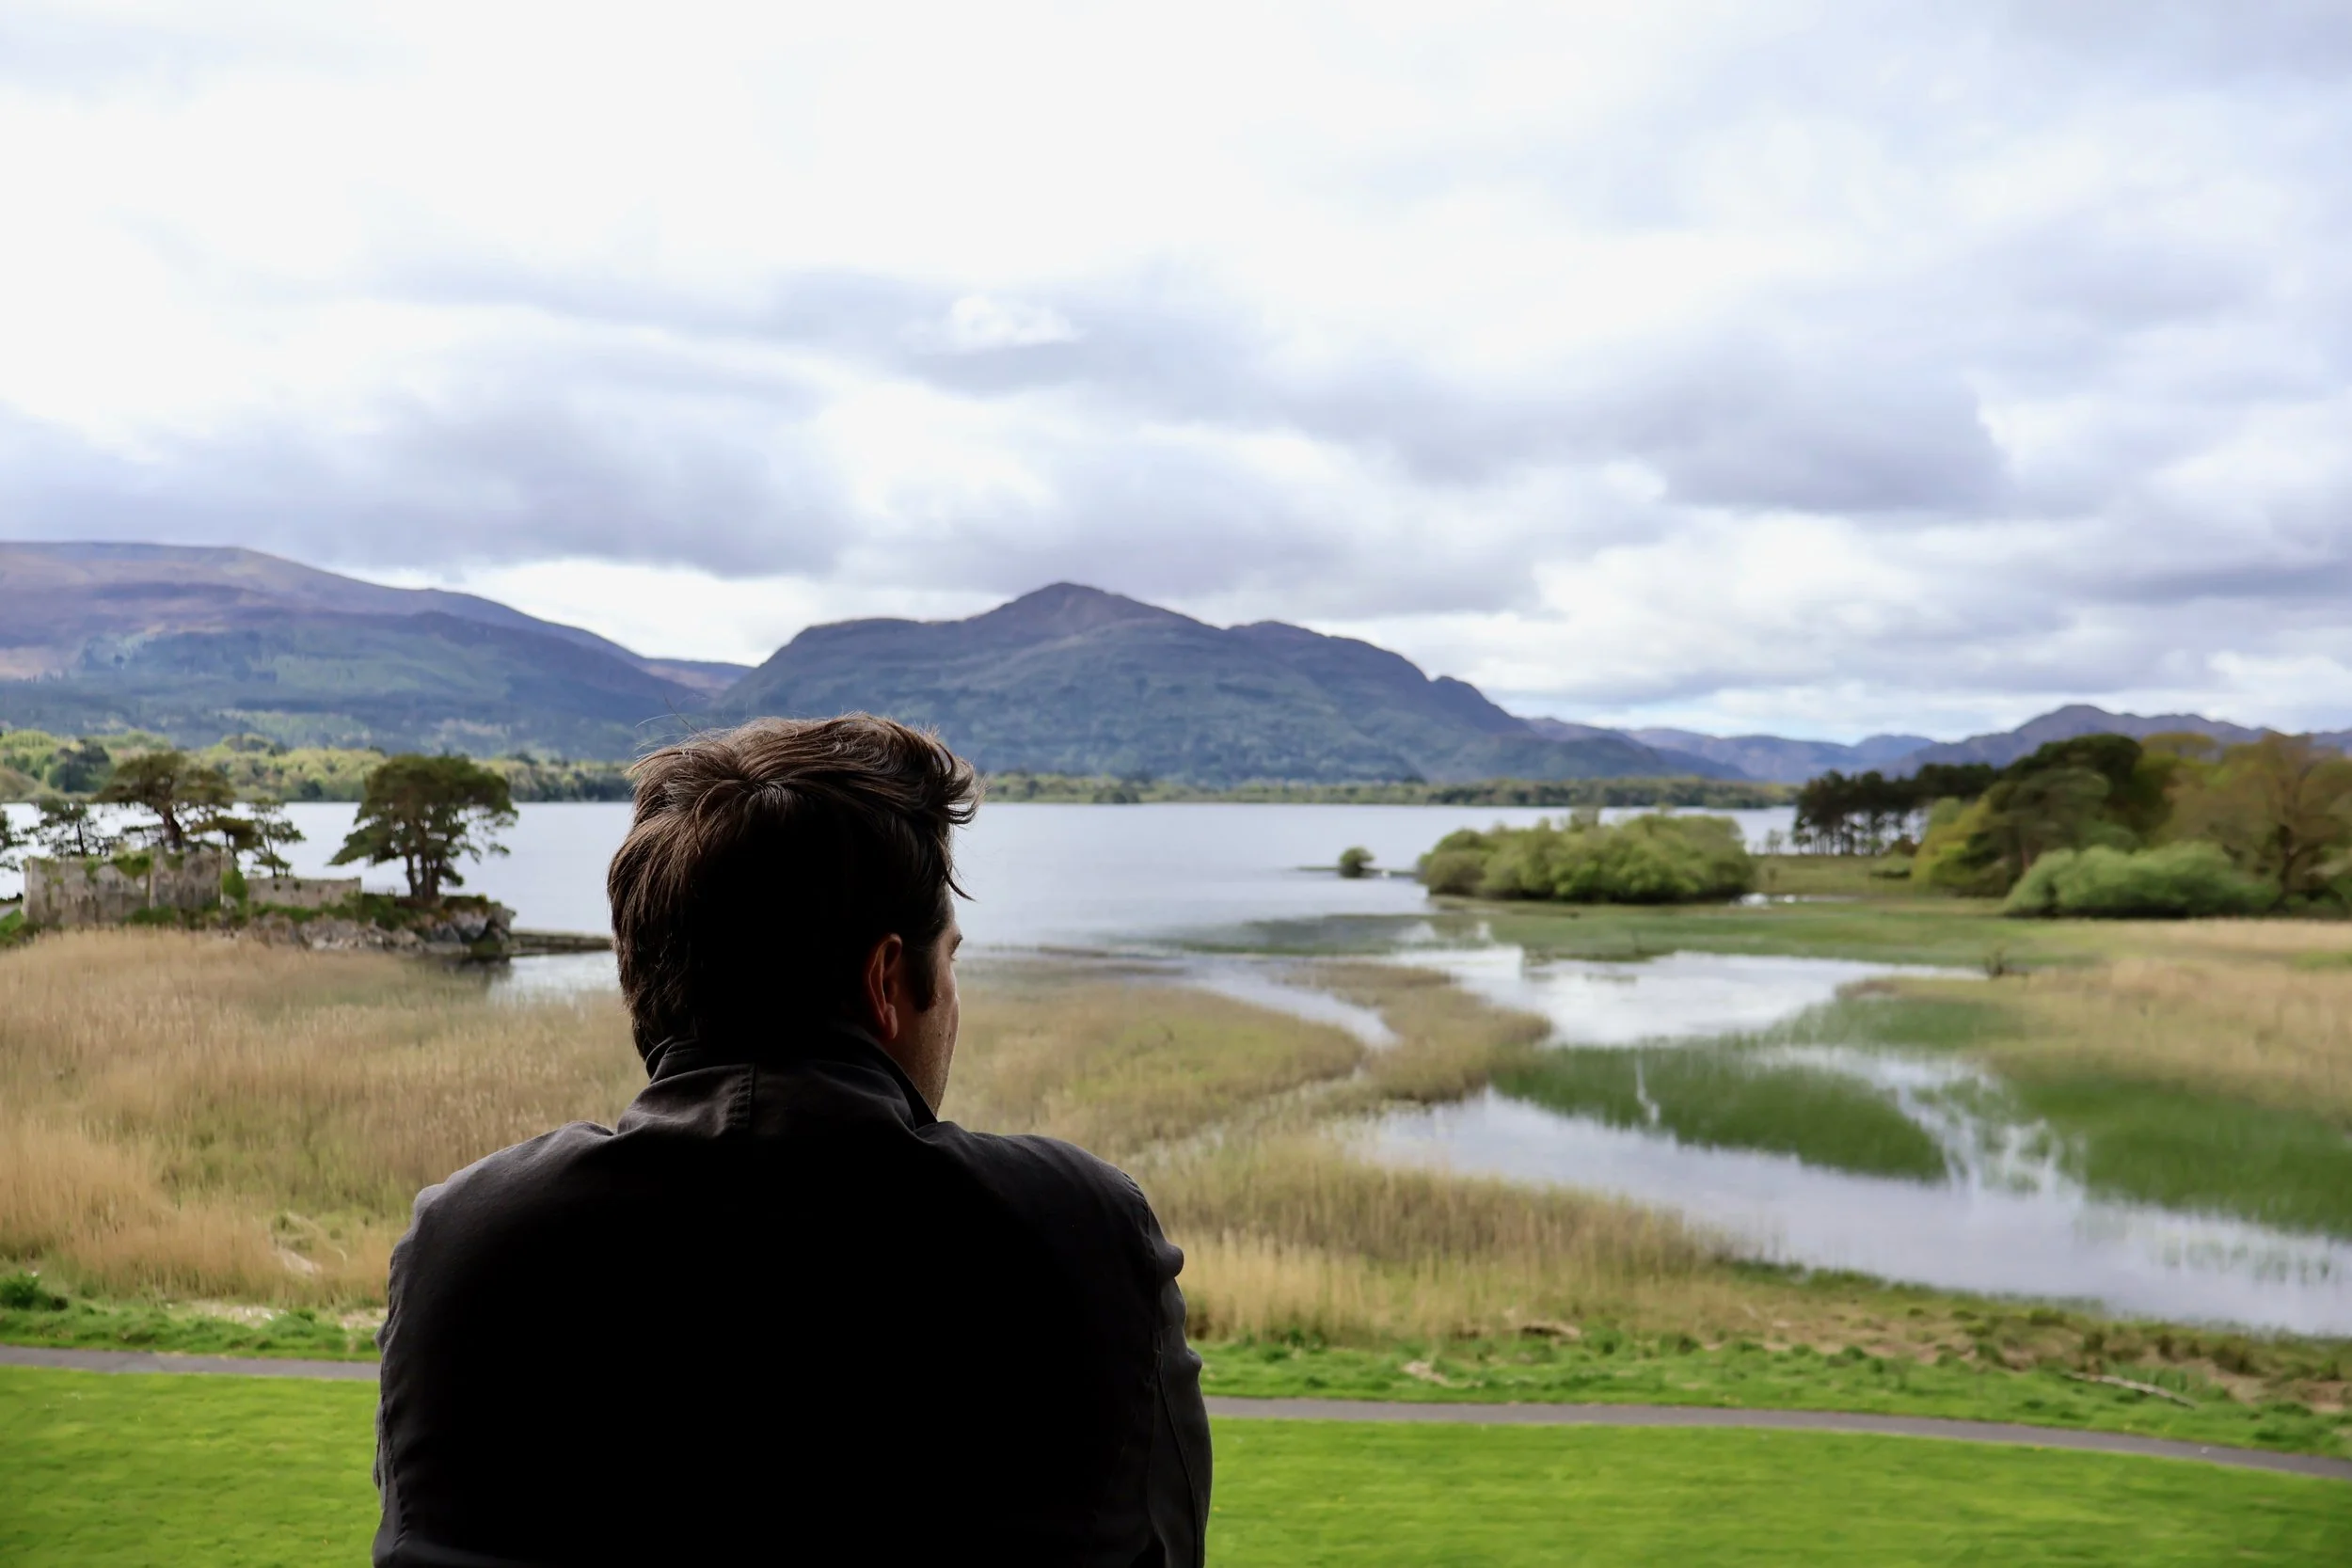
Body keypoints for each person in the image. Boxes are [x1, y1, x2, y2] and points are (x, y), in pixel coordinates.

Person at [372, 716, 1211, 1565]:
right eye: (951, 961)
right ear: (889, 981)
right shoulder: (1084, 1232)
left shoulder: (464, 1244)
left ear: (642, 977)